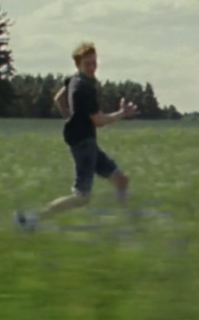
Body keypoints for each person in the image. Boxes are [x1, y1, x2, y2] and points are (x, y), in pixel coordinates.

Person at [16, 41, 137, 231]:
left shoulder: (74, 80)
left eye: (94, 62)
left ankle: (127, 223)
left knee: (121, 180)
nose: (92, 67)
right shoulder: (84, 88)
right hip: (83, 144)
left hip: (85, 140)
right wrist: (122, 113)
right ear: (78, 64)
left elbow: (59, 98)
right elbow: (99, 121)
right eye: (87, 64)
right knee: (82, 197)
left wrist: (69, 116)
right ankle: (33, 219)